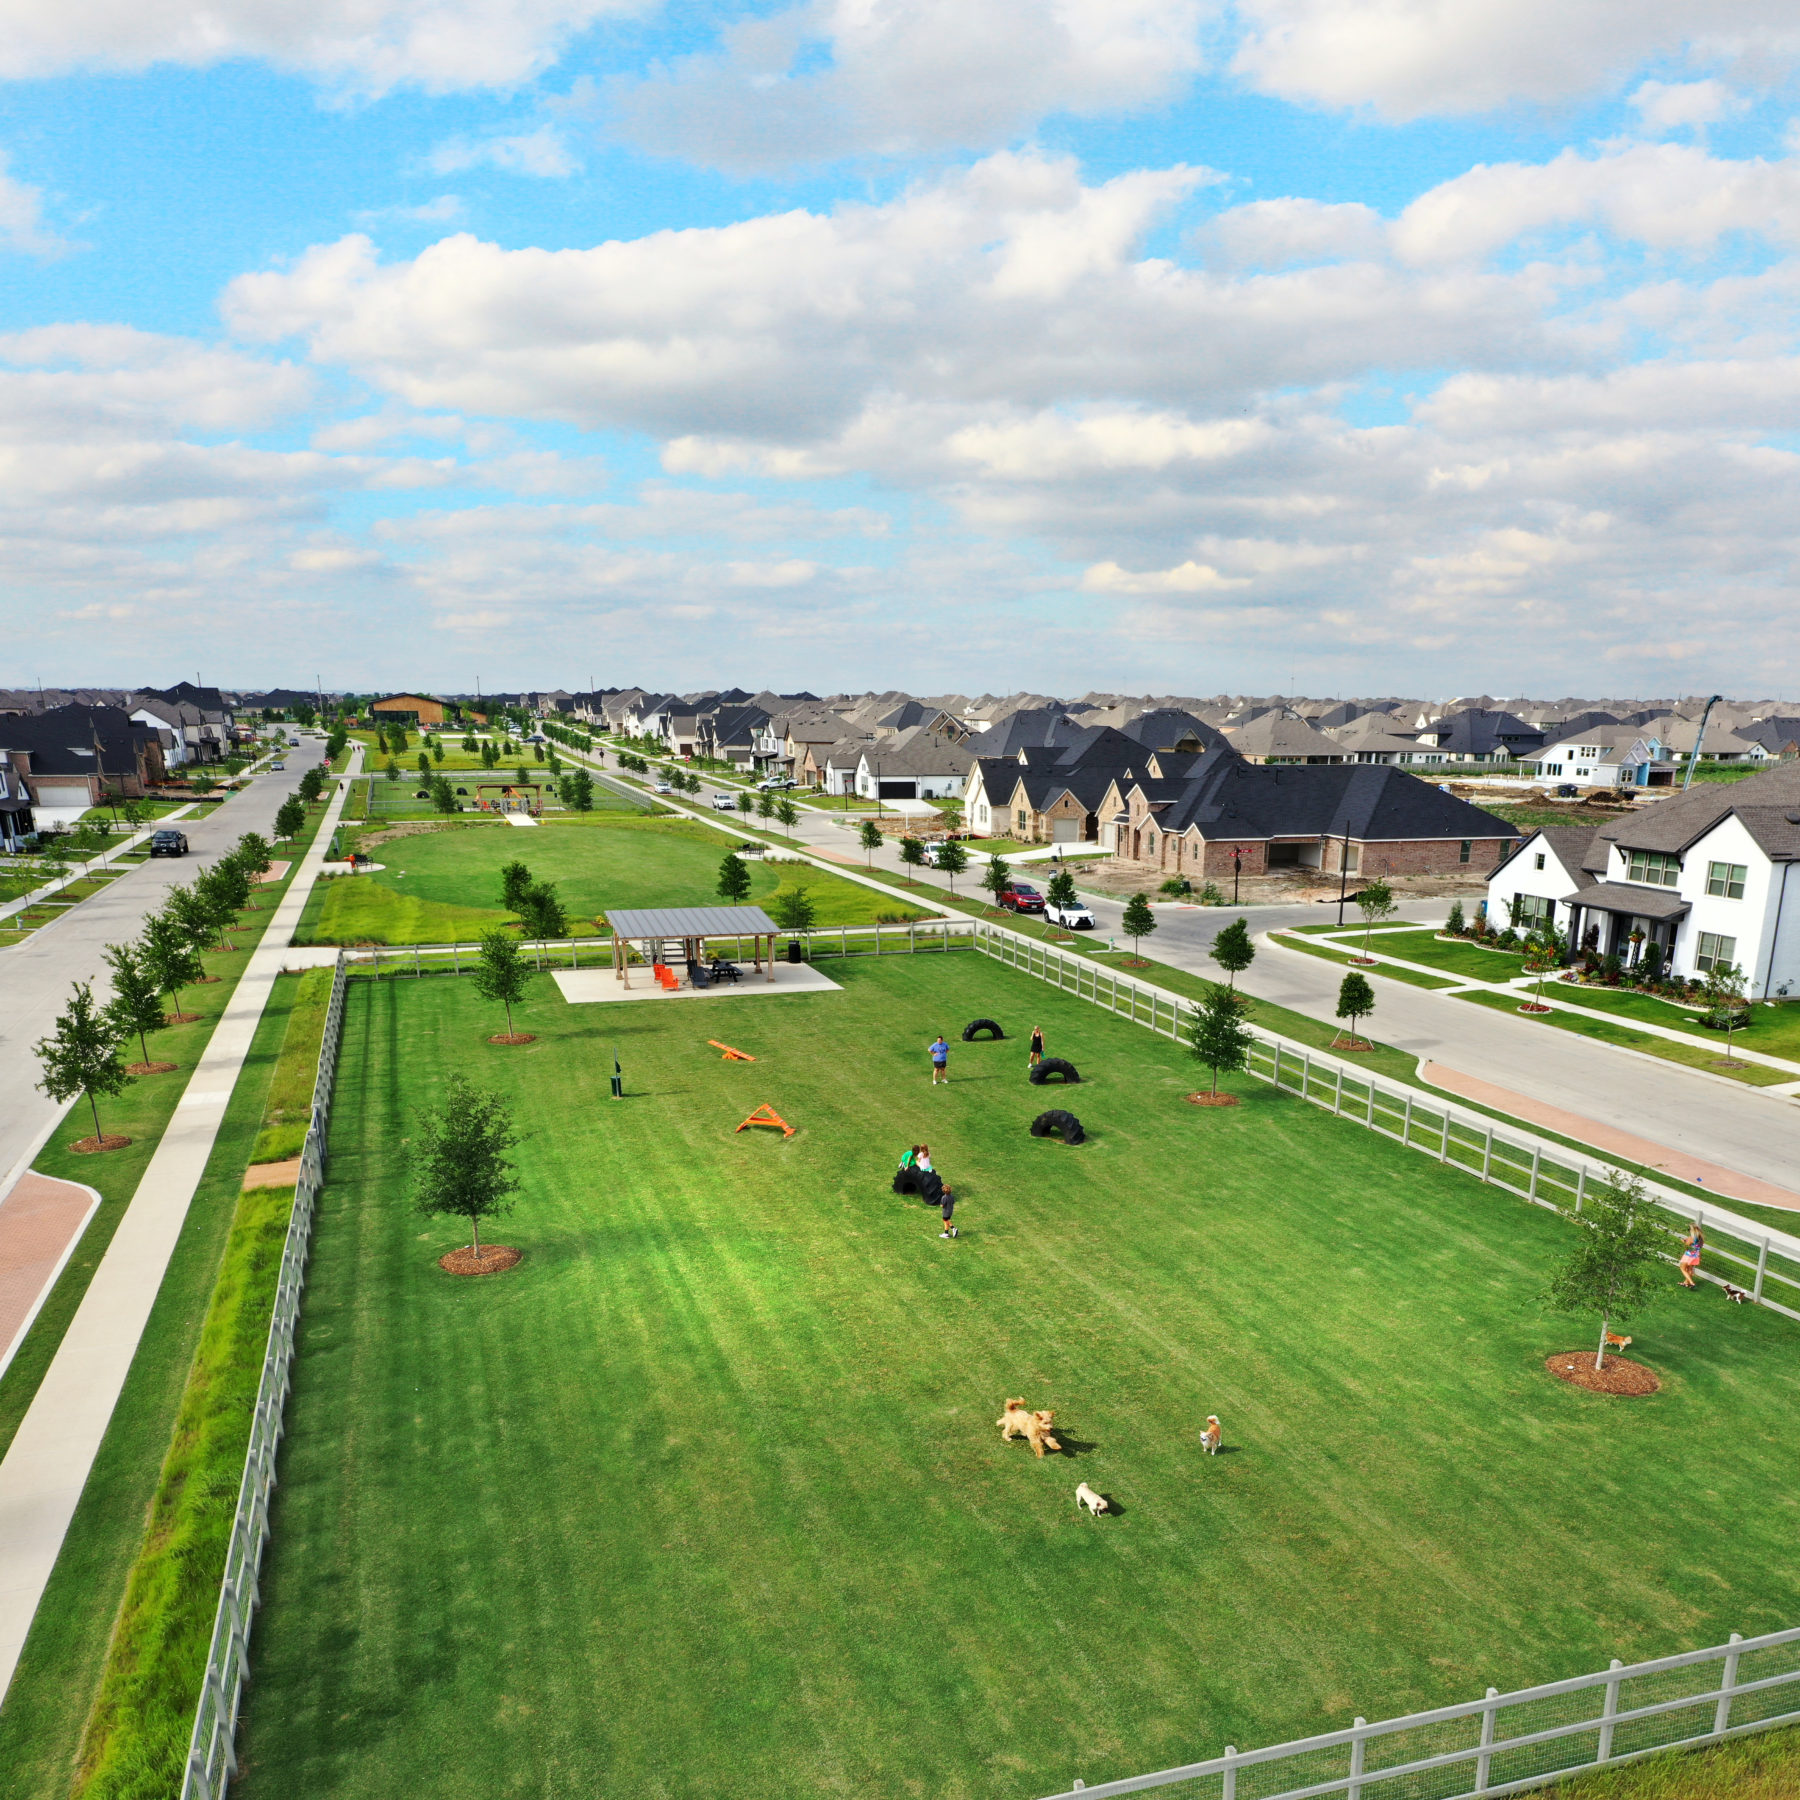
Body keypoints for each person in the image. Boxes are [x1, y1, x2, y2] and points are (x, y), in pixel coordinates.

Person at [1679, 1222, 1705, 1288]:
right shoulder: (1700, 1238)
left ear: (1691, 1230)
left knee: (1683, 1268)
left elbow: (1687, 1245)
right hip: (1696, 1255)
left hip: (1689, 1255)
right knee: (1690, 1269)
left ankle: (1691, 1282)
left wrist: (1683, 1241)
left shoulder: (1691, 1238)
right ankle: (1686, 1283)